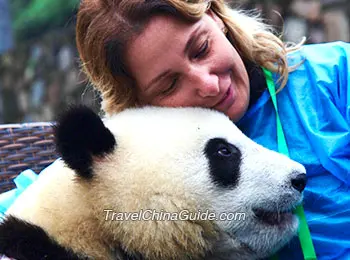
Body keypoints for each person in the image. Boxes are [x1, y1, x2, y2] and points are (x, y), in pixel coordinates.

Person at [0, 0, 349, 259]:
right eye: (168, 85)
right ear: (138, 105)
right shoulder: (142, 162)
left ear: (215, 17)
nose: (208, 84)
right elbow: (60, 198)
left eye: (201, 48)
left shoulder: (335, 77)